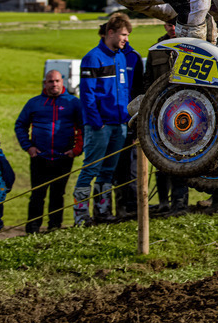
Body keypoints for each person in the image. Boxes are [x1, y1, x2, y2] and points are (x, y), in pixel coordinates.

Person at [74, 13, 133, 226]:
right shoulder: (93, 57)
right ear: (111, 32)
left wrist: (126, 119)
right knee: (91, 168)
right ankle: (80, 214)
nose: (126, 39)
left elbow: (124, 91)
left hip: (119, 125)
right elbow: (87, 95)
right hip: (100, 126)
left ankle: (103, 211)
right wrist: (96, 121)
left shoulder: (121, 57)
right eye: (123, 34)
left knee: (108, 170)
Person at [14, 70, 83, 234]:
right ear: (45, 83)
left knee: (58, 194)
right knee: (37, 194)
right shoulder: (34, 103)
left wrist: (76, 150)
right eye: (51, 81)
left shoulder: (73, 102)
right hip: (39, 157)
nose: (54, 85)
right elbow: (20, 125)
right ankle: (32, 228)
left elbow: (83, 127)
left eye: (57, 81)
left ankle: (54, 227)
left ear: (63, 82)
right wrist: (28, 147)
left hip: (63, 157)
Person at [143, 22, 191, 217]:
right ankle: (163, 202)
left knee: (180, 159)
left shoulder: (192, 45)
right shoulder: (157, 50)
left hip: (185, 111)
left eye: (176, 23)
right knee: (160, 159)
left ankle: (180, 204)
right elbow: (148, 81)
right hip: (160, 111)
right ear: (164, 25)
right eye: (169, 24)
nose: (172, 28)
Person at [113, 37, 145, 220]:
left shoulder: (133, 57)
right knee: (115, 167)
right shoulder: (105, 58)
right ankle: (118, 207)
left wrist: (137, 124)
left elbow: (140, 91)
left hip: (130, 121)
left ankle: (133, 207)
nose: (124, 38)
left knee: (132, 166)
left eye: (126, 34)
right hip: (112, 122)